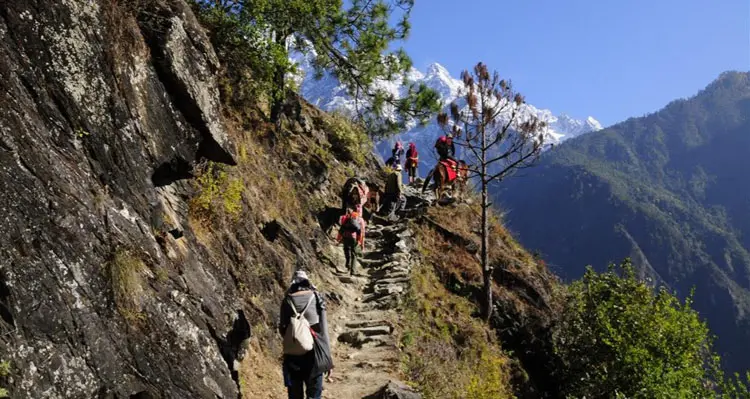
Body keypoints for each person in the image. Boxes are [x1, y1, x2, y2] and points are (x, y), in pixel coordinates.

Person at [279, 271, 333, 399]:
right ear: (307, 282)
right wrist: (328, 359)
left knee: (295, 395)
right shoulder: (316, 298)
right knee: (314, 395)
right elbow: (323, 331)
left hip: (293, 356)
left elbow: (282, 329)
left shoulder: (287, 300)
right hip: (315, 354)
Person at [337, 209, 366, 275]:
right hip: (354, 238)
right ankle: (353, 271)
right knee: (354, 254)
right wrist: (360, 241)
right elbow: (361, 231)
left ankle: (348, 265)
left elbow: (341, 229)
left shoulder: (346, 218)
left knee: (346, 250)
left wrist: (338, 239)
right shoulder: (359, 219)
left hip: (345, 237)